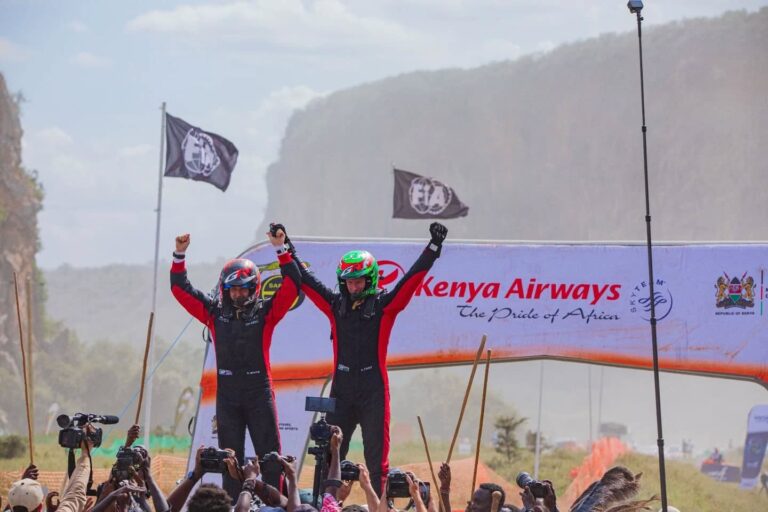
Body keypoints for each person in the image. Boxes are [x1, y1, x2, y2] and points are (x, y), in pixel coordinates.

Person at [282, 222, 448, 494]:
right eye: (348, 281)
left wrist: (433, 248)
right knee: (329, 456)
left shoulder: (385, 307)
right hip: (342, 390)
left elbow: (410, 281)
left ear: (371, 280)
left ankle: (381, 506)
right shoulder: (336, 306)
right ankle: (326, 506)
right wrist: (285, 246)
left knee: (377, 464)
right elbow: (307, 279)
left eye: (358, 281)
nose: (353, 286)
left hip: (374, 391)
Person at [170, 227, 301, 500]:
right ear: (225, 290)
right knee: (229, 461)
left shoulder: (267, 312)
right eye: (233, 290)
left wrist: (281, 249)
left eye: (243, 289)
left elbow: (292, 285)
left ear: (254, 288)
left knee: (271, 459)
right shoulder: (214, 313)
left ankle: (273, 507)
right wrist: (179, 255)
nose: (238, 295)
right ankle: (231, 506)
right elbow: (180, 290)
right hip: (228, 397)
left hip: (259, 393)